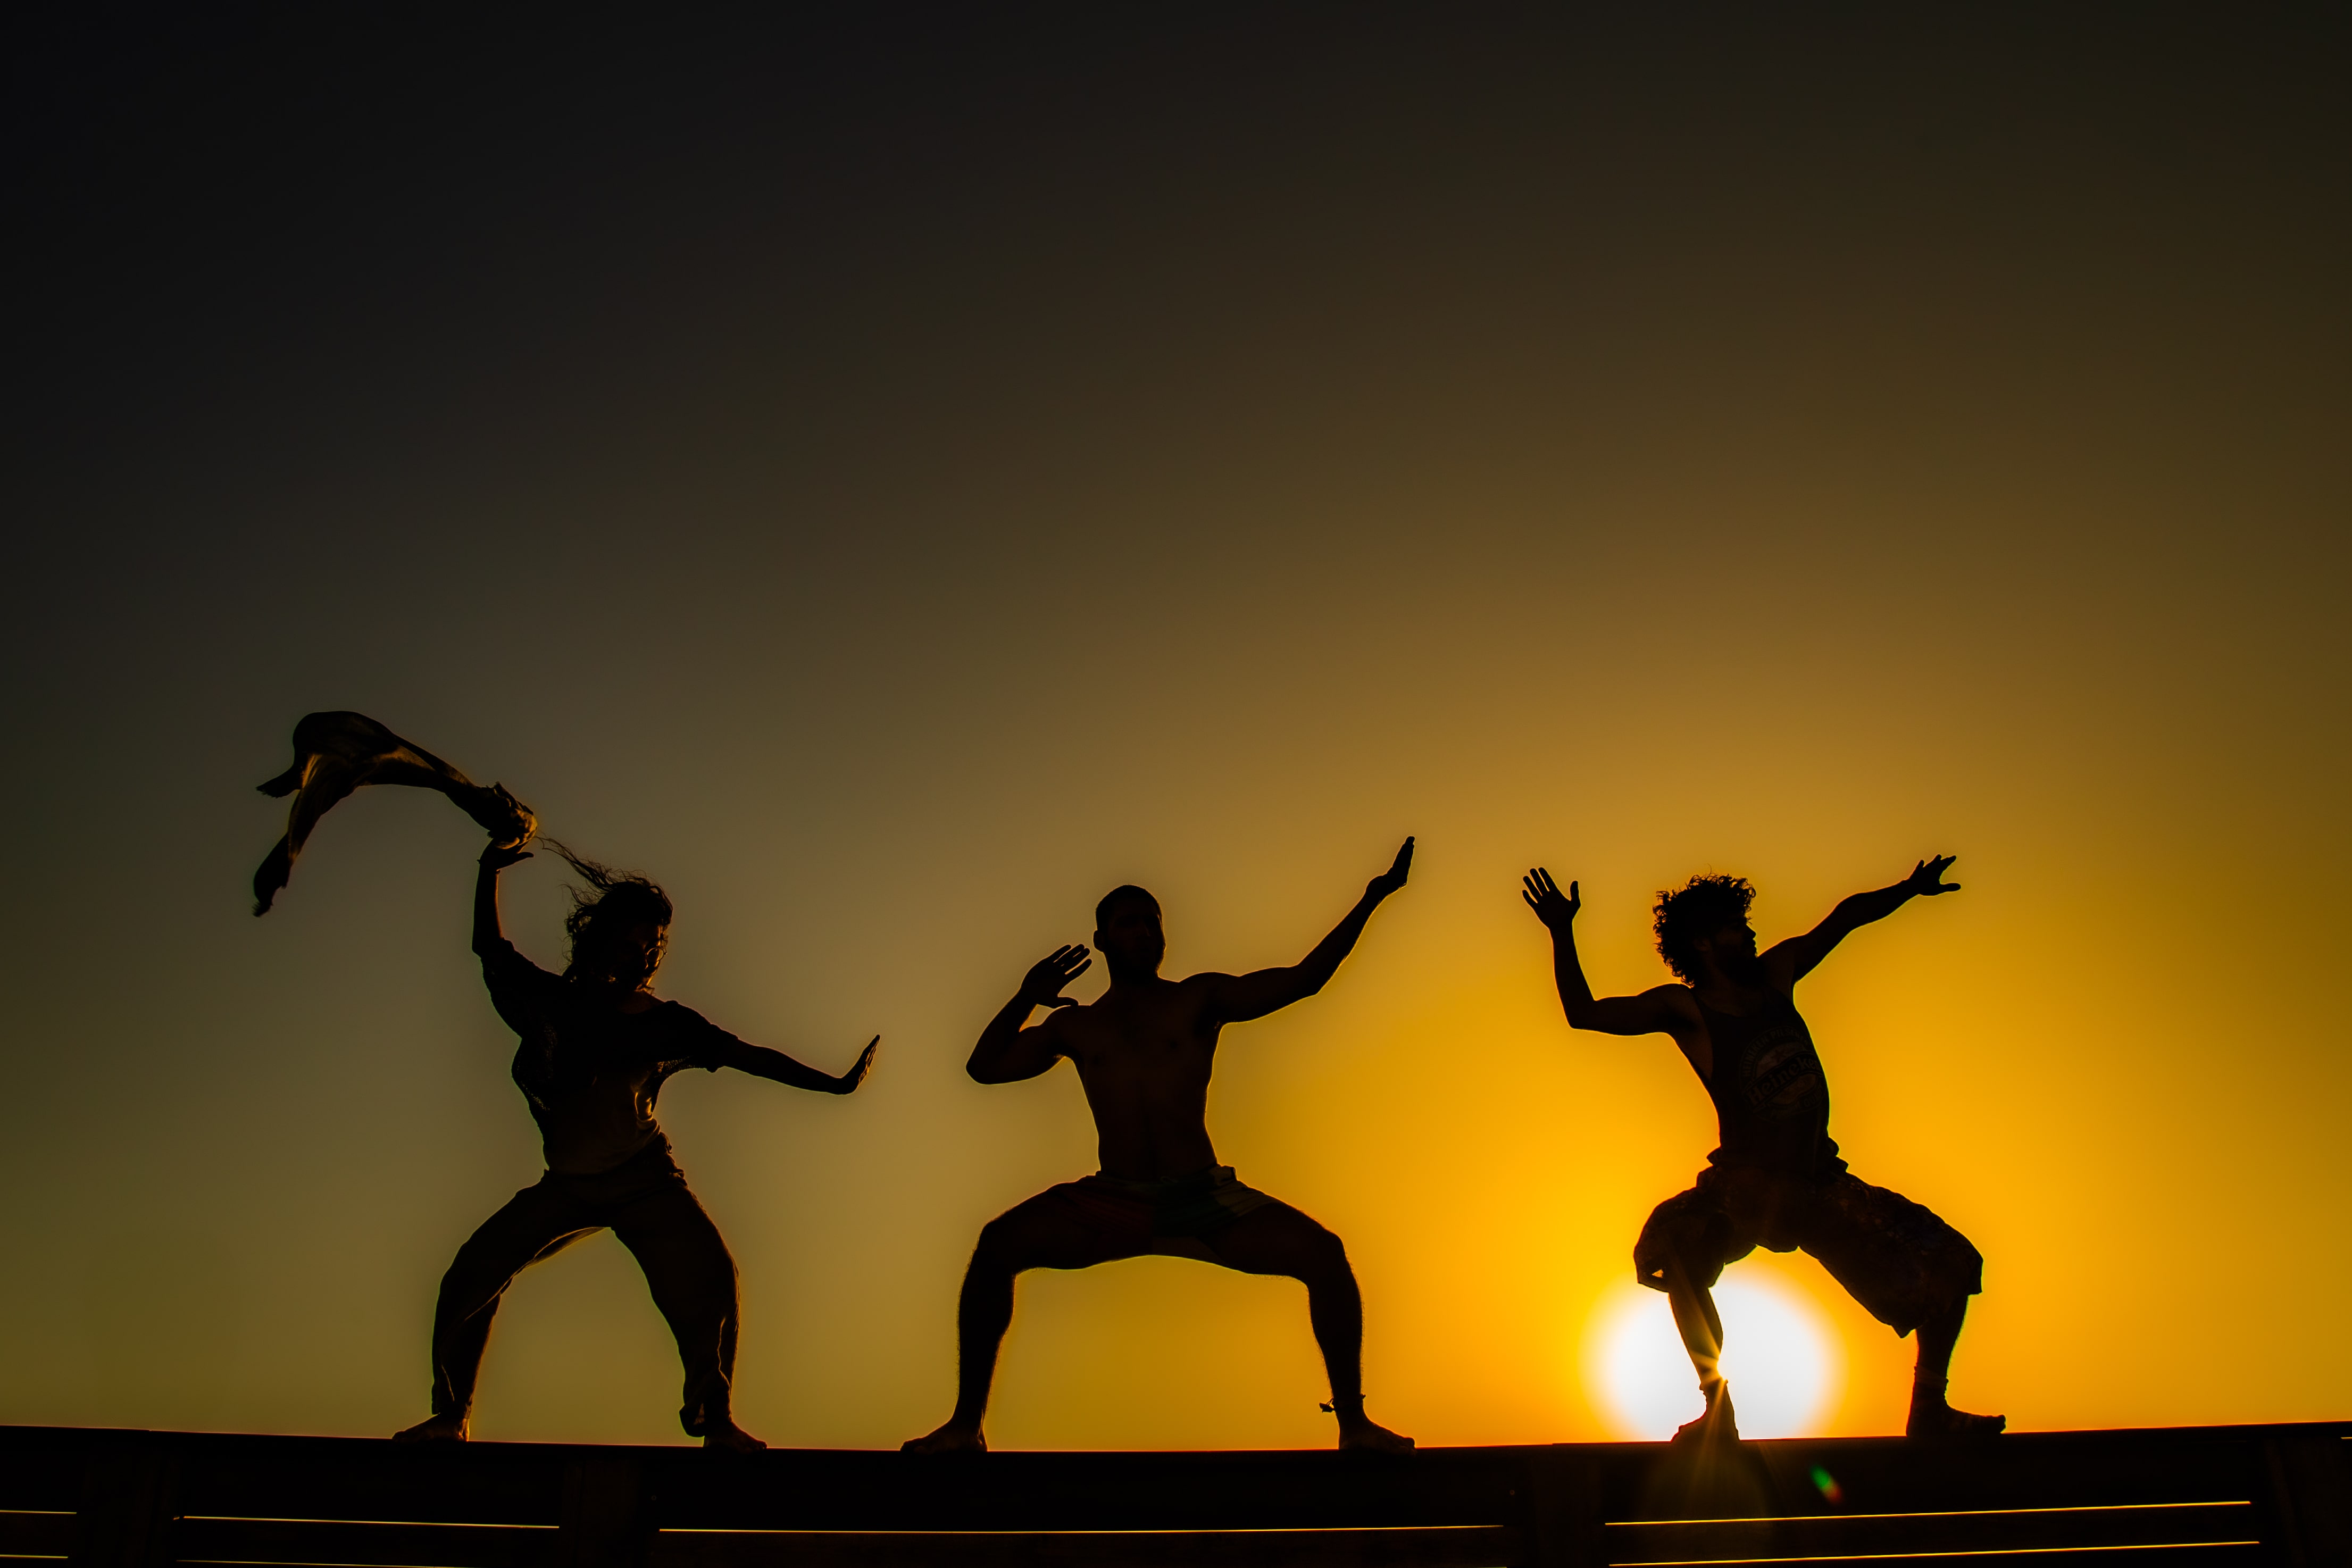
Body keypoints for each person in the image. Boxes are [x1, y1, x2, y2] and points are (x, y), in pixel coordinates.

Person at [902, 841, 1420, 1455]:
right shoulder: (1077, 1026)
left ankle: (1355, 1425)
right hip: (1114, 1197)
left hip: (1202, 1196)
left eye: (1153, 921)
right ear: (1101, 940)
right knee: (996, 1244)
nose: (1145, 931)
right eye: (1130, 922)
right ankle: (965, 1428)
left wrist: (1371, 898)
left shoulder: (1197, 999)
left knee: (1325, 1255)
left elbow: (1303, 980)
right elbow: (984, 1068)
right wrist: (1025, 996)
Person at [396, 839, 878, 1451]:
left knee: (710, 1276)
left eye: (653, 948)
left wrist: (831, 1082)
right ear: (597, 939)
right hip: (568, 1185)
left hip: (645, 1179)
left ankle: (717, 1420)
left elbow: (742, 1053)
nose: (643, 957)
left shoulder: (660, 1023)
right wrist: (489, 866)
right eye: (631, 943)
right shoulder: (544, 1003)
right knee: (472, 1272)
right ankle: (450, 1415)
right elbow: (489, 948)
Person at [1521, 857, 2001, 1442]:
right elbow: (1585, 1013)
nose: (1749, 933)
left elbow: (1843, 918)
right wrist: (1561, 930)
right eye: (1734, 927)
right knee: (1678, 1244)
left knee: (1950, 1261)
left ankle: (1929, 1408)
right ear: (1702, 943)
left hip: (1818, 1183)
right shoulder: (1688, 1010)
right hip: (1746, 1185)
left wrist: (1906, 888)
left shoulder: (1776, 977)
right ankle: (1716, 1406)